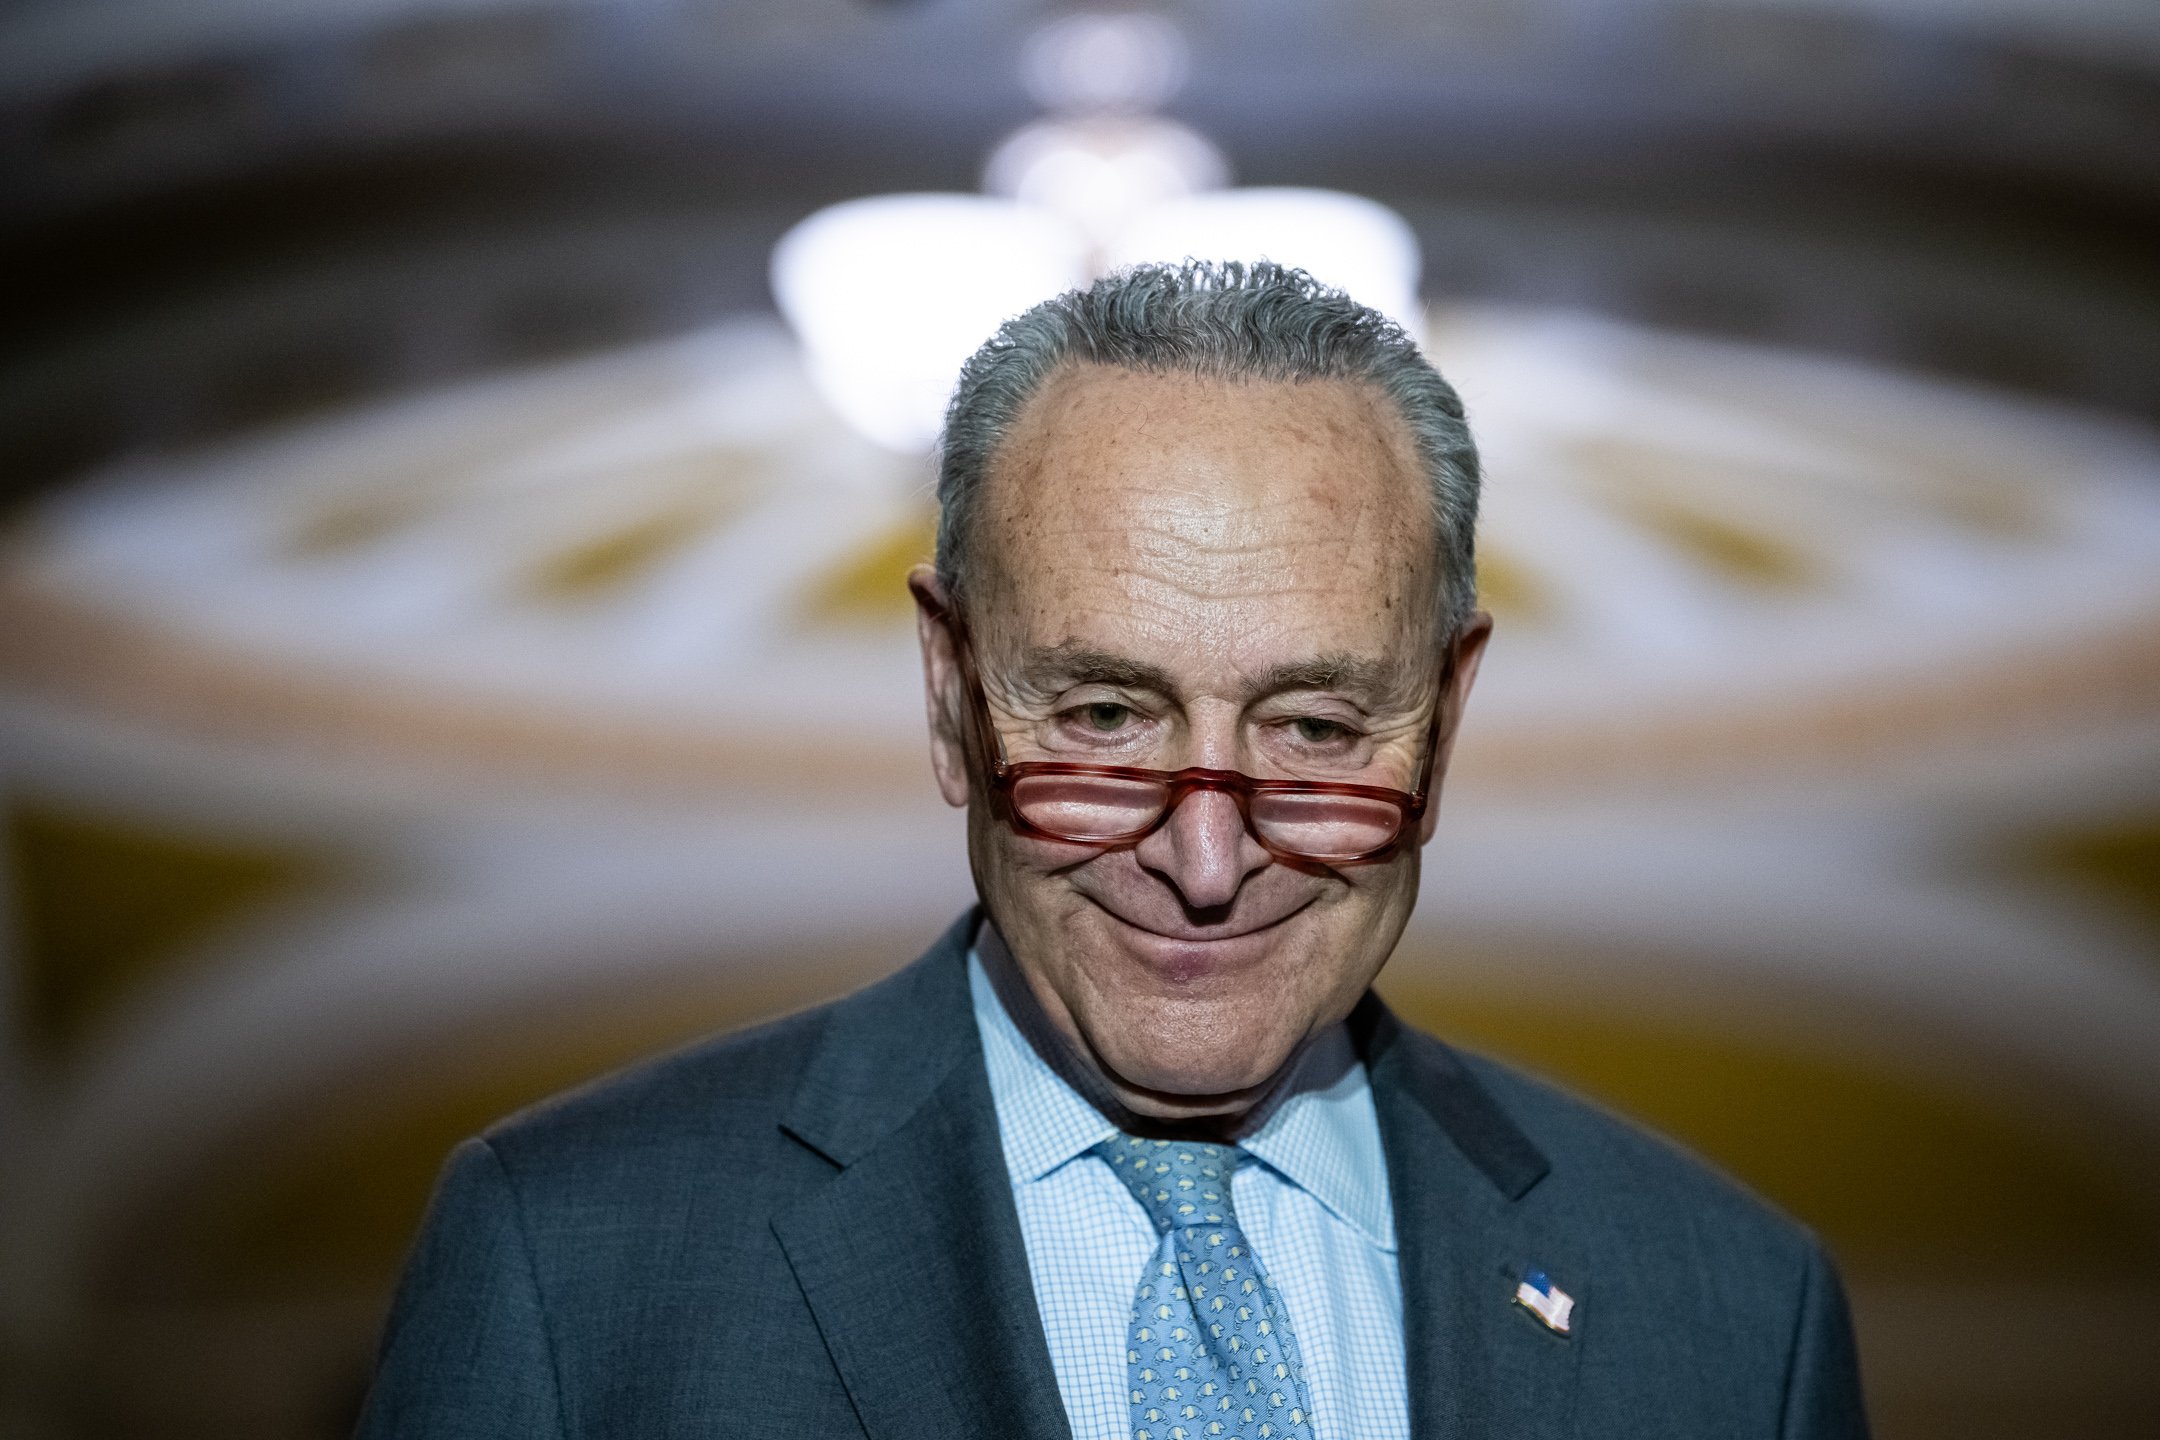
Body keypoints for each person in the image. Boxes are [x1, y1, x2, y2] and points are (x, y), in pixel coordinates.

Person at [358, 261, 1868, 1439]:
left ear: (1447, 712)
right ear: (951, 694)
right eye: (1102, 715)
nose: (1207, 860)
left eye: (1318, 731)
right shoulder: (576, 1260)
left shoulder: (1731, 1311)